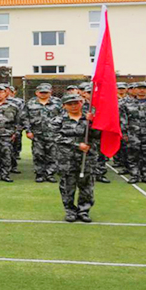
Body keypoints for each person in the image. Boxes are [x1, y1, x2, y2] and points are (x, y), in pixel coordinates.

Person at [50, 94, 99, 223]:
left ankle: (84, 211)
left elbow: (98, 135)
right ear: (64, 106)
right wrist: (77, 145)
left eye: (76, 103)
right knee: (68, 186)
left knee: (87, 186)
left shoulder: (88, 118)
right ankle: (70, 211)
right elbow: (56, 137)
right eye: (70, 104)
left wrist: (92, 122)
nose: (73, 106)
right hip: (66, 158)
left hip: (87, 158)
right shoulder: (58, 120)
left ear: (81, 103)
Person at [120, 82, 146, 184]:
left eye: (144, 88)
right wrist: (124, 133)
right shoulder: (126, 103)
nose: (142, 90)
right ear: (134, 90)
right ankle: (134, 175)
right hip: (133, 133)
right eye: (139, 88)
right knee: (133, 154)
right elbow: (123, 119)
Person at [23, 84, 60, 183]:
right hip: (37, 134)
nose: (43, 94)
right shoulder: (30, 103)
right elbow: (25, 118)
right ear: (36, 93)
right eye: (41, 92)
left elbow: (63, 116)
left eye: (46, 92)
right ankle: (39, 174)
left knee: (53, 155)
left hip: (53, 134)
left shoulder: (57, 103)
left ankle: (50, 174)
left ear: (50, 92)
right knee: (38, 154)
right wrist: (28, 131)